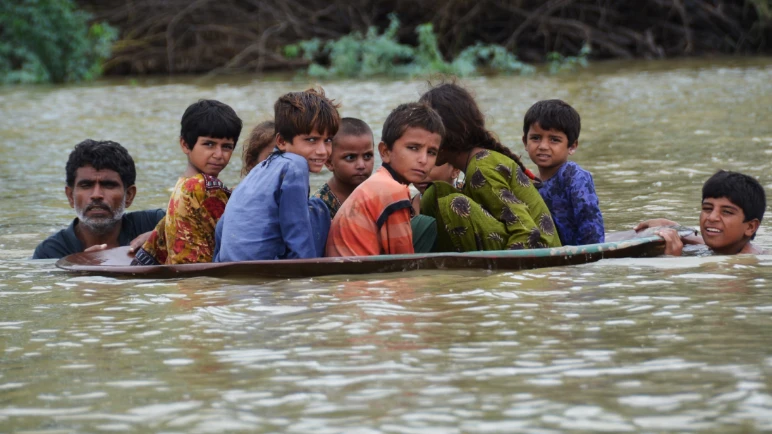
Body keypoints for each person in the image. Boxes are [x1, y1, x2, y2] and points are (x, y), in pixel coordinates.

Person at [418, 82, 562, 252]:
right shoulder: (475, 165)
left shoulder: (482, 168)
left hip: (539, 251)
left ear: (448, 133)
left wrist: (502, 278)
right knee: (433, 194)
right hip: (521, 242)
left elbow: (526, 232)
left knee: (453, 204)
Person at [215, 88, 339, 261]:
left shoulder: (256, 172)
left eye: (328, 140)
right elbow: (297, 231)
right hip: (265, 267)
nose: (322, 151)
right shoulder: (295, 165)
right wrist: (309, 279)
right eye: (311, 140)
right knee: (319, 209)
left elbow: (222, 226)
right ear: (281, 141)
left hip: (230, 264)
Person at [326, 102, 445, 257]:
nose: (423, 160)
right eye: (413, 148)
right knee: (428, 226)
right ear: (385, 151)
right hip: (359, 278)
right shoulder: (392, 191)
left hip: (347, 274)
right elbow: (404, 262)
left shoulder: (378, 182)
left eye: (431, 152)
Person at [133, 100, 242, 265]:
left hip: (185, 283)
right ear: (185, 144)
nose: (219, 154)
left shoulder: (182, 185)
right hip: (203, 282)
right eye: (209, 144)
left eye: (227, 147)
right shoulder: (202, 186)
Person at [32, 140, 165, 259]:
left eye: (108, 185)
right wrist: (80, 269)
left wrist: (167, 241)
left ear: (129, 195)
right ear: (70, 196)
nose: (96, 195)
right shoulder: (50, 253)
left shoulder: (157, 225)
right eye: (86, 185)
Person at [523, 99, 604, 245]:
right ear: (525, 142)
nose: (543, 146)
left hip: (578, 255)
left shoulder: (574, 176)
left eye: (554, 140)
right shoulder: (527, 183)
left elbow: (591, 226)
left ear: (572, 146)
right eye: (535, 138)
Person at [636, 170, 767, 255]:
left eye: (726, 212)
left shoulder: (746, 264)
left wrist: (671, 263)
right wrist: (672, 228)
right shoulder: (725, 247)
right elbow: (700, 241)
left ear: (750, 227)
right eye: (707, 208)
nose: (712, 217)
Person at [313, 117, 375, 219]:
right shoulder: (320, 208)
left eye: (367, 156)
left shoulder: (378, 194)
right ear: (329, 162)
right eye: (350, 157)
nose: (361, 165)